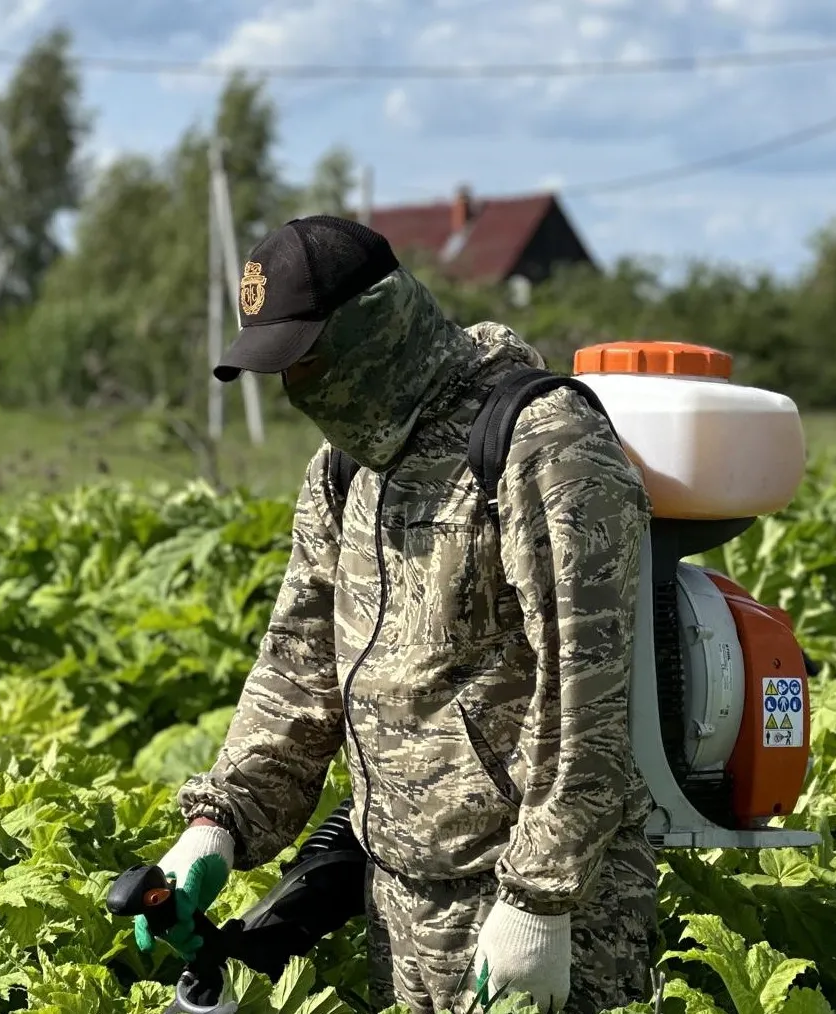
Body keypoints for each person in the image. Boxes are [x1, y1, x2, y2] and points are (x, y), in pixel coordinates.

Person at [156, 215, 658, 1014]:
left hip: (539, 904)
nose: (298, 387)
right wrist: (220, 820)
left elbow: (585, 692)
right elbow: (299, 663)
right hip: (399, 897)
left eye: (308, 358)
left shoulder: (541, 441)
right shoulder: (343, 469)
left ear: (377, 327)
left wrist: (540, 898)